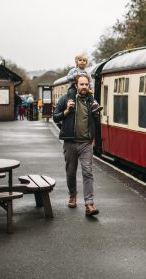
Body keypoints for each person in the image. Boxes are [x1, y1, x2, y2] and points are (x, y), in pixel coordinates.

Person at [53, 74, 100, 216]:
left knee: (88, 172)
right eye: (82, 84)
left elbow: (95, 122)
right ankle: (72, 196)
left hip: (86, 143)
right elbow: (55, 117)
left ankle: (89, 204)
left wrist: (96, 116)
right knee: (70, 172)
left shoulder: (91, 102)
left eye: (86, 85)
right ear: (76, 85)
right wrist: (67, 111)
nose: (84, 87)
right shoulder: (66, 99)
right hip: (70, 143)